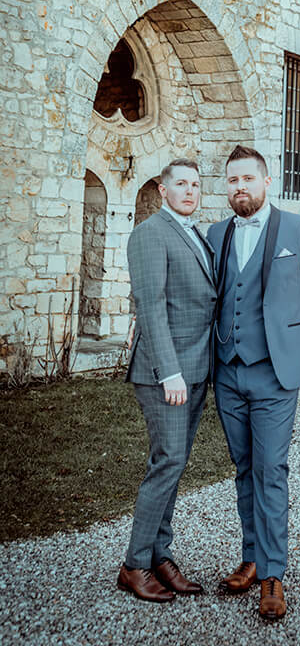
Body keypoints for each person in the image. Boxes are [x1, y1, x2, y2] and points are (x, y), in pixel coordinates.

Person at [207, 145, 300, 621]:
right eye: (231, 180)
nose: (239, 187)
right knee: (243, 470)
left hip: (276, 373)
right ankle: (251, 558)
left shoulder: (298, 229)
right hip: (227, 370)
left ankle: (272, 576)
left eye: (247, 179)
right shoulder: (217, 233)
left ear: (267, 182)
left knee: (270, 470)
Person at [117, 159, 217, 602]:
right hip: (166, 374)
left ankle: (161, 555)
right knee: (167, 463)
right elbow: (151, 306)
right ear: (163, 189)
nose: (190, 191)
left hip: (197, 369)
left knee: (174, 466)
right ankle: (134, 564)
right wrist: (169, 372)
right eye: (181, 184)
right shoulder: (150, 233)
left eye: (196, 185)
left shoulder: (196, 233)